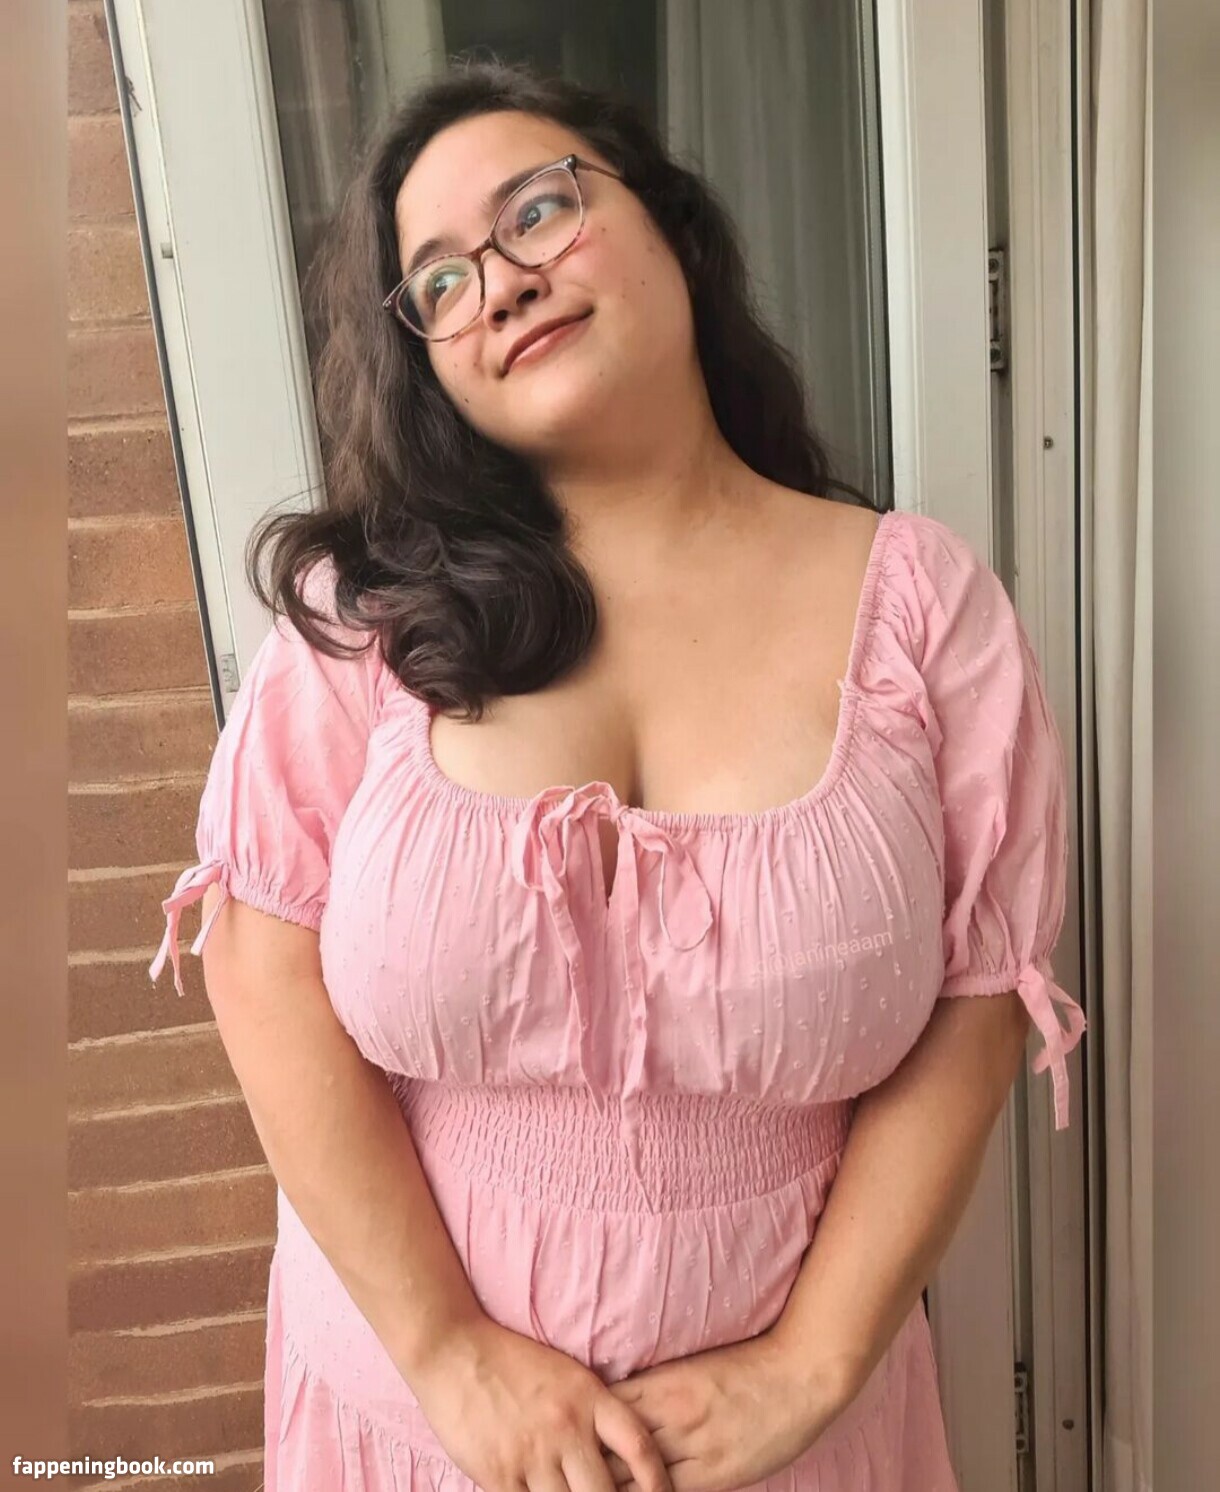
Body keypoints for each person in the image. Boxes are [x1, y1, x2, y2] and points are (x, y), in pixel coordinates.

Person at [149, 56, 1086, 1492]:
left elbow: (976, 997)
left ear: (672, 226)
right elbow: (262, 966)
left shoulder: (920, 609)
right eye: (441, 281)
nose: (501, 283)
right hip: (414, 1431)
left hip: (791, 1450)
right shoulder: (367, 619)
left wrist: (814, 1362)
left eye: (537, 211)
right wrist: (450, 1353)